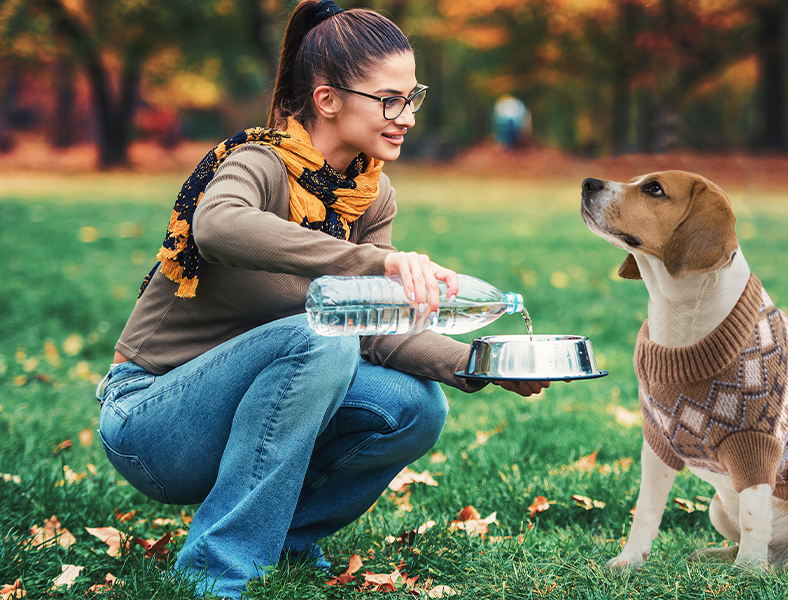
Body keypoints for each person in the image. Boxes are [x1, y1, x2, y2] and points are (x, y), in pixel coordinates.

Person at [94, 2, 548, 597]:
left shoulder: (368, 194)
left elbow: (372, 326)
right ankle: (217, 571)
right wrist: (374, 262)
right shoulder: (258, 161)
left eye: (413, 97)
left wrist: (478, 364)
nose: (406, 115)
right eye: (390, 99)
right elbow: (218, 226)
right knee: (318, 339)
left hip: (255, 403)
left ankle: (285, 540)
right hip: (152, 420)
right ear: (328, 99)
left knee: (415, 405)